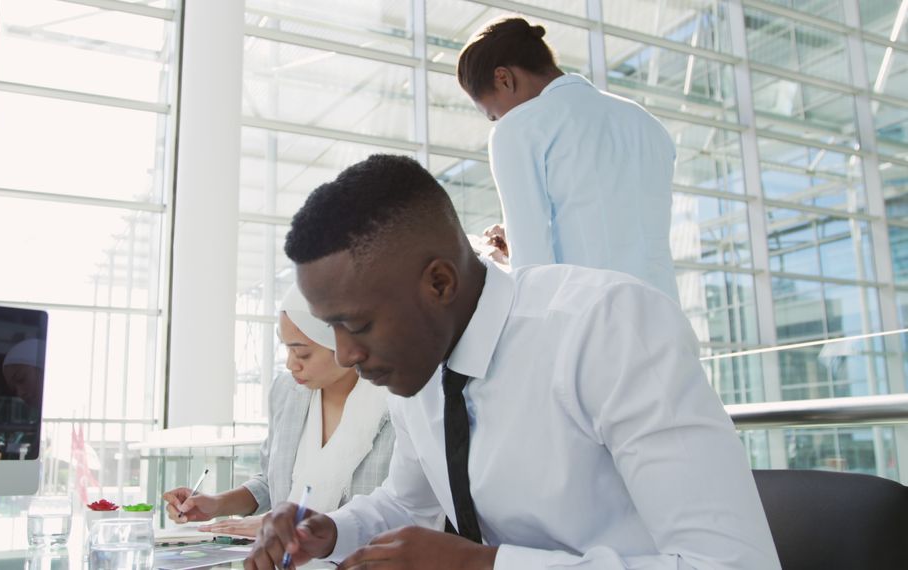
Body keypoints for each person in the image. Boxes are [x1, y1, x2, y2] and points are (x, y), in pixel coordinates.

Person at [244, 155, 778, 569]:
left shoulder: (607, 327)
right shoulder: (418, 366)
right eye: (330, 327)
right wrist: (330, 531)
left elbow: (731, 563)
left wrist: (485, 565)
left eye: (357, 326)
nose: (345, 355)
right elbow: (409, 505)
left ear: (439, 283)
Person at [459, 17, 679, 301]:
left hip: (593, 318)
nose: (498, 120)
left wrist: (505, 260)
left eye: (493, 113)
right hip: (666, 316)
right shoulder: (645, 123)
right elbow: (614, 221)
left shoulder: (518, 128)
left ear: (504, 78)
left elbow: (533, 263)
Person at [161, 286, 395, 538]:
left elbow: (404, 508)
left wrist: (292, 527)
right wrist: (217, 504)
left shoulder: (395, 401)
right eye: (287, 349)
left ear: (344, 343)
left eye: (302, 352)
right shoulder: (286, 392)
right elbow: (272, 482)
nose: (290, 364)